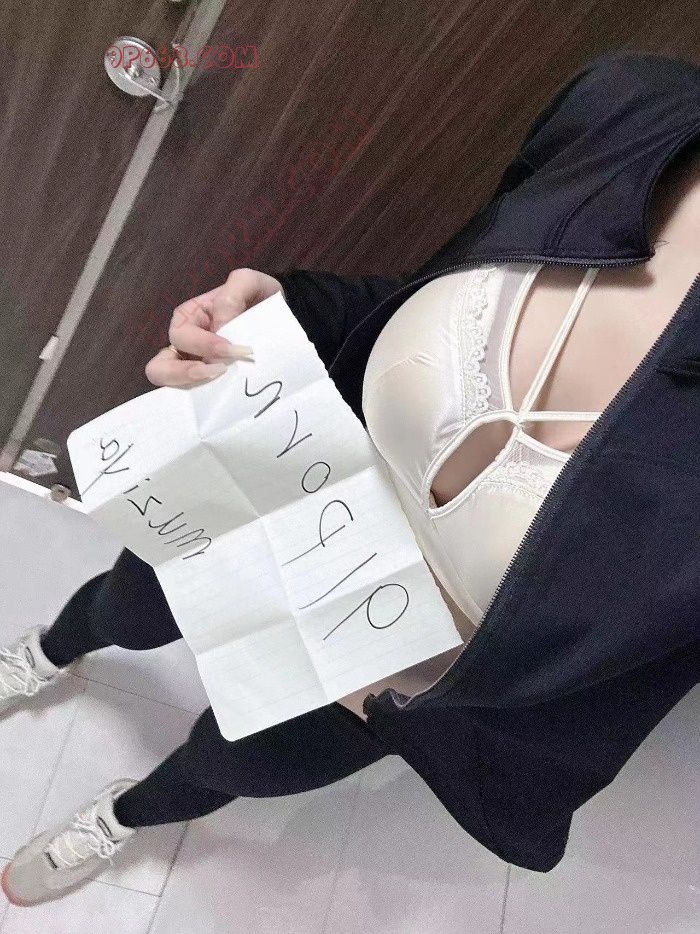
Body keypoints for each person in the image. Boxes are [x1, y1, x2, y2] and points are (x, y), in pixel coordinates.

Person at [1, 51, 699, 905]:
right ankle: (47, 652)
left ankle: (125, 815)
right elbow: (420, 296)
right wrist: (280, 315)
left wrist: (439, 708)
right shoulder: (634, 108)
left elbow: (621, 682)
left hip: (400, 668)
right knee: (125, 611)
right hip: (276, 497)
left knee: (233, 762)